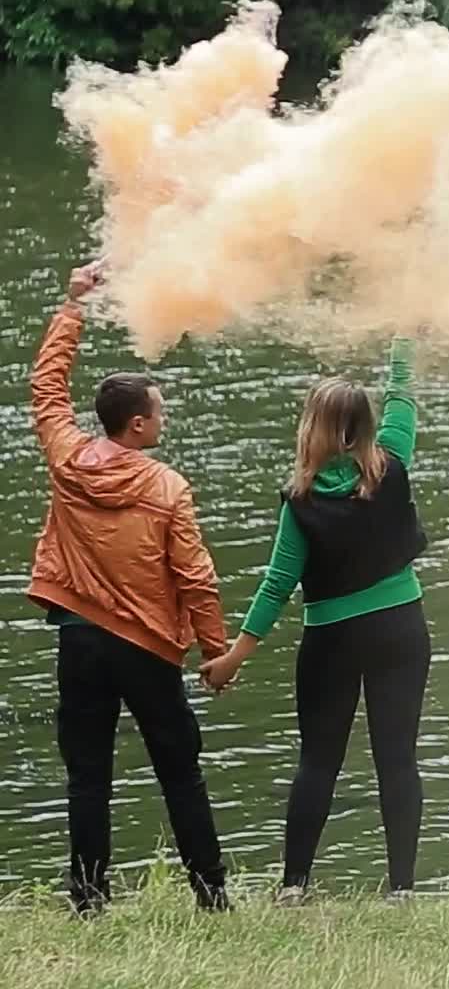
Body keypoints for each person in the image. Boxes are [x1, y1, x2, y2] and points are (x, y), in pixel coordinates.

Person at [28, 262, 230, 915]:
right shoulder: (166, 487)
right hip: (146, 649)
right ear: (137, 426)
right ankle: (211, 894)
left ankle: (88, 898)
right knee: (181, 772)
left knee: (88, 775)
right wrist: (215, 651)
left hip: (80, 641)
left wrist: (72, 306)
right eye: (158, 411)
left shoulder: (66, 458)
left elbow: (46, 389)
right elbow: (195, 577)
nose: (162, 417)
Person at [201, 337, 430, 903]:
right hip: (401, 627)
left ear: (315, 428)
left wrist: (233, 657)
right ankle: (401, 888)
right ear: (368, 425)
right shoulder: (393, 460)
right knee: (397, 757)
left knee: (318, 760)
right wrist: (403, 334)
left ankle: (294, 886)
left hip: (332, 639)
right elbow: (404, 392)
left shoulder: (299, 498)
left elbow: (278, 584)